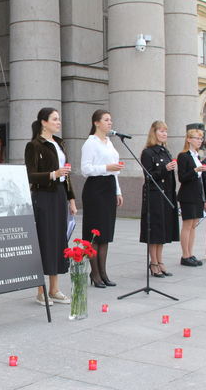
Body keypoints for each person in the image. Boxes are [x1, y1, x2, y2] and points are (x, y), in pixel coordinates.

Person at [25, 107, 77, 306]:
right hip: (44, 196)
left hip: (59, 196)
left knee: (58, 241)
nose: (58, 122)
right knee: (44, 240)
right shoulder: (34, 145)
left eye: (59, 119)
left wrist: (71, 199)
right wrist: (53, 174)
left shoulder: (59, 143)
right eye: (54, 119)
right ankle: (41, 291)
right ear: (43, 122)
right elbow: (30, 175)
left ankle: (54, 289)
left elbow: (67, 175)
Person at [80, 109, 124, 288]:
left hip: (109, 187)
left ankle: (103, 272)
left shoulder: (109, 143)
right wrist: (106, 167)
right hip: (95, 189)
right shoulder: (90, 143)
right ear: (96, 123)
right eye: (106, 120)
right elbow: (85, 169)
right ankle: (95, 273)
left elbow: (114, 171)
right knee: (94, 234)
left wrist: (118, 191)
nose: (110, 123)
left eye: (111, 120)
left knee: (105, 234)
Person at [139, 121, 179, 277]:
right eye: (161, 131)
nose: (164, 134)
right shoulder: (148, 153)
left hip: (167, 193)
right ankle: (153, 262)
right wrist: (165, 169)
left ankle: (160, 260)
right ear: (154, 133)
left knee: (163, 229)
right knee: (154, 229)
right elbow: (149, 176)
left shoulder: (165, 151)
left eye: (165, 131)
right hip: (154, 194)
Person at [177, 129, 206, 267]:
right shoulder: (183, 156)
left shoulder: (197, 156)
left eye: (201, 139)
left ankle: (190, 253)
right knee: (187, 224)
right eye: (196, 138)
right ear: (188, 139)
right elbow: (182, 177)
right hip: (187, 195)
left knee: (194, 225)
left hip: (197, 194)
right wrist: (195, 171)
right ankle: (185, 255)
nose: (199, 141)